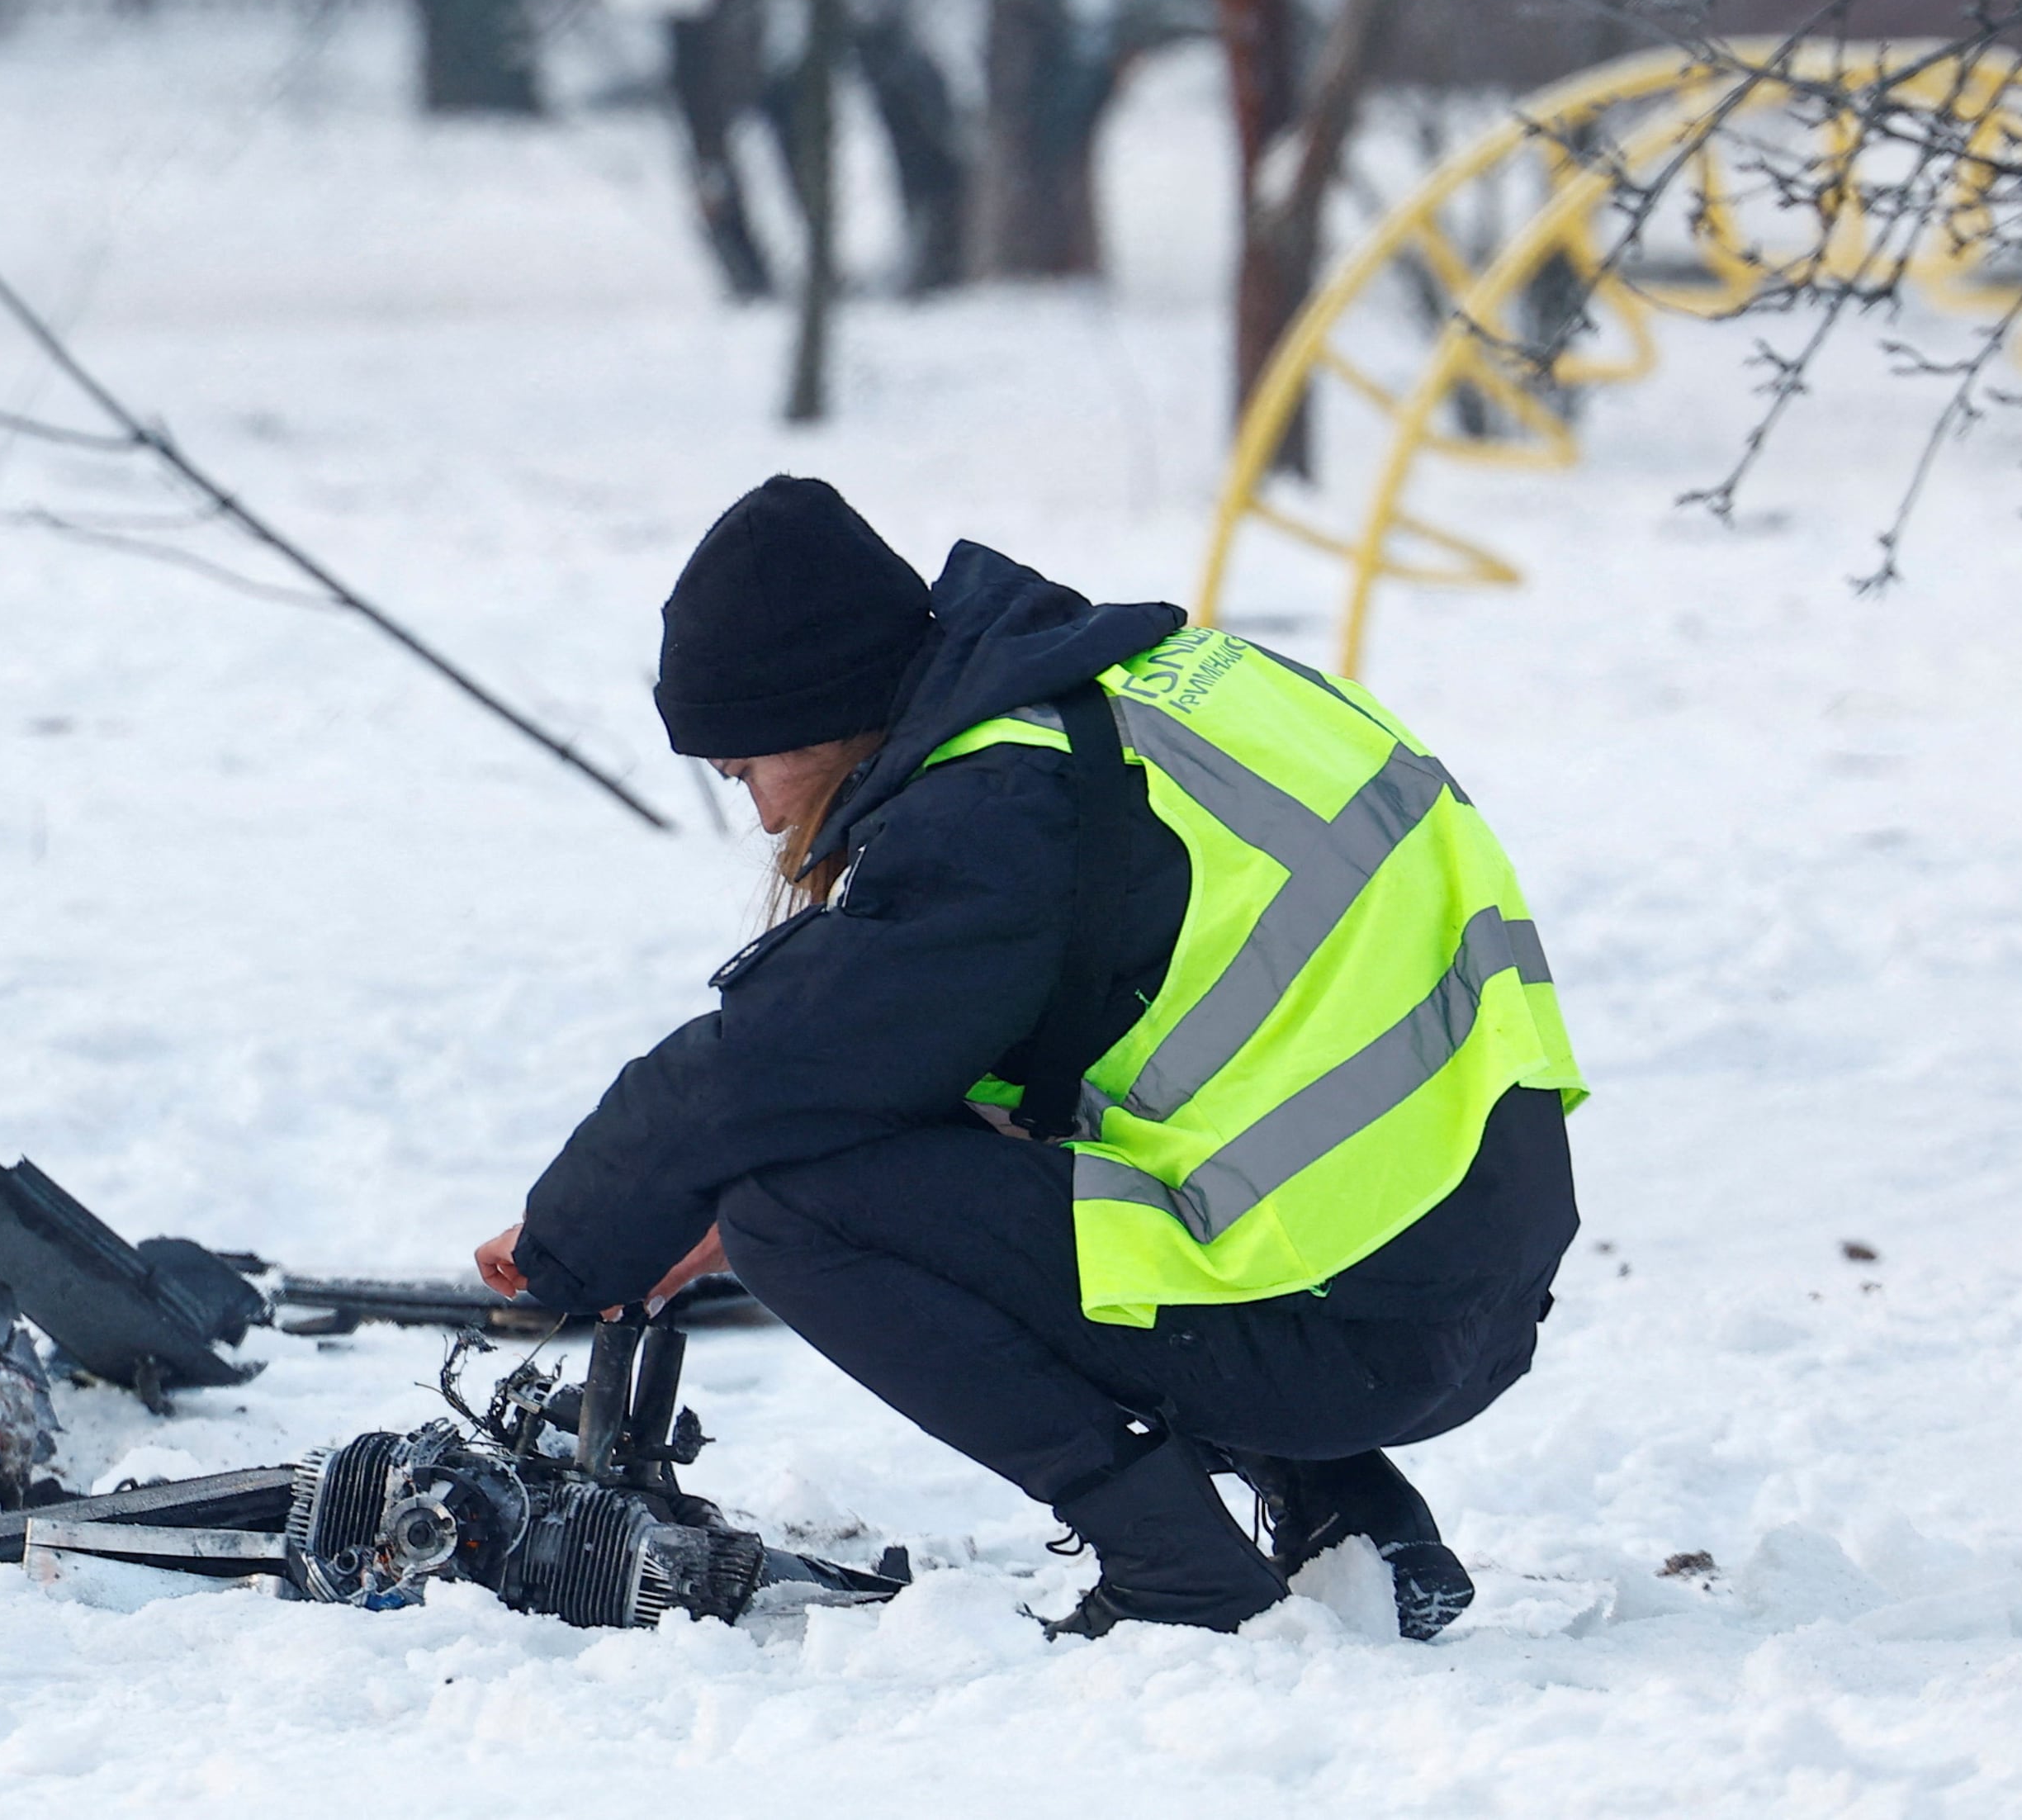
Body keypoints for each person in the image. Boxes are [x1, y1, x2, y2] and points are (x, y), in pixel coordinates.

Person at [476, 476, 1584, 1638]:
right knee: (1017, 1119)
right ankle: (1355, 1514)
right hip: (1465, 1286)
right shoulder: (1141, 698)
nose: (761, 818)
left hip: (1354, 1324)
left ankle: (1176, 1570)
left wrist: (575, 1244)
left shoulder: (998, 807)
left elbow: (765, 1066)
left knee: (785, 1212)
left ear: (824, 706)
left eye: (746, 770)